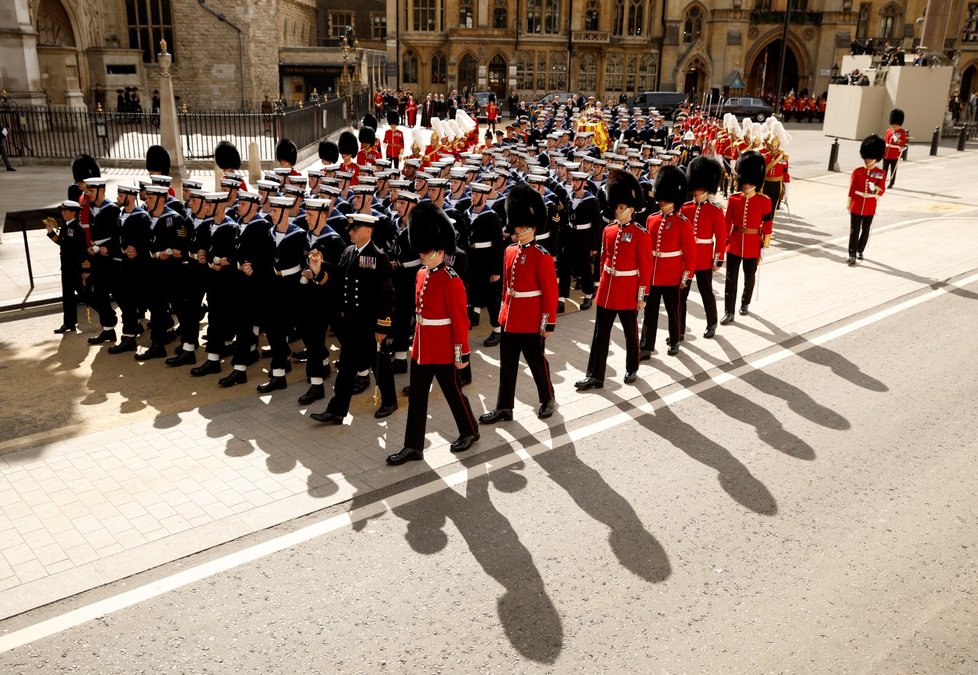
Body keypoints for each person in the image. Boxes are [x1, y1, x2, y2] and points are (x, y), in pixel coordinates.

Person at [386, 203, 480, 465]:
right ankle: (413, 447)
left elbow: (460, 320)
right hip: (423, 346)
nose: (423, 255)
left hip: (443, 348)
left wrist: (462, 353)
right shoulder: (420, 274)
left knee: (453, 392)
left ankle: (469, 430)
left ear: (440, 250)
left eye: (427, 251)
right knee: (417, 396)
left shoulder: (452, 280)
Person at [479, 184, 559, 424]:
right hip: (511, 318)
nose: (517, 229)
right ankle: (504, 407)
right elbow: (506, 288)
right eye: (516, 224)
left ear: (532, 227)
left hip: (531, 319)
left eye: (521, 225)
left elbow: (550, 293)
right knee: (508, 366)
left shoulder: (541, 255)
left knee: (536, 363)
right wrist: (503, 313)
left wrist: (548, 323)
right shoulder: (510, 251)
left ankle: (547, 398)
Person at [310, 213, 397, 424]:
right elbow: (339, 281)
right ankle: (337, 410)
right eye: (350, 229)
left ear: (368, 230)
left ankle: (390, 401)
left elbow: (387, 295)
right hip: (351, 322)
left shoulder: (378, 257)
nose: (350, 232)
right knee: (347, 368)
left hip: (369, 323)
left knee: (380, 364)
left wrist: (382, 326)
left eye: (355, 229)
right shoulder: (348, 252)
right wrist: (318, 271)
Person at [575, 171, 651, 390]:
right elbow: (603, 262)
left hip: (628, 290)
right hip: (609, 289)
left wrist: (642, 296)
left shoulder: (640, 234)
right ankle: (595, 375)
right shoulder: (608, 230)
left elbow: (645, 268)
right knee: (600, 334)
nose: (617, 211)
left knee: (630, 333)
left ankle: (632, 367)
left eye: (621, 207)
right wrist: (600, 286)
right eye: (616, 207)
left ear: (631, 208)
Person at [638, 166, 695, 358]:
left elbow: (690, 253)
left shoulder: (683, 222)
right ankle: (646, 346)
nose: (661, 202)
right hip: (653, 273)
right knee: (650, 311)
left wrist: (686, 276)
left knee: (673, 310)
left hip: (672, 274)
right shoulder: (652, 219)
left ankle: (674, 340)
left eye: (665, 198)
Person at [720, 150, 773, 324]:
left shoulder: (764, 201)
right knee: (730, 279)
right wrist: (723, 245)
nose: (746, 185)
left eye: (749, 183)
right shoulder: (734, 199)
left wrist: (764, 247)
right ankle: (729, 311)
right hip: (734, 243)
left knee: (749, 277)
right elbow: (727, 224)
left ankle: (745, 303)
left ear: (755, 182)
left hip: (752, 245)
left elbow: (767, 225)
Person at [679, 156, 726, 340]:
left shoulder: (715, 211)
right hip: (686, 259)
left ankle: (712, 323)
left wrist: (718, 259)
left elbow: (721, 237)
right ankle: (679, 330)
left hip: (705, 257)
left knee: (707, 292)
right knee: (681, 296)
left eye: (700, 190)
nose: (697, 193)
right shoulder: (685, 208)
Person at [44, 200, 88, 334]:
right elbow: (62, 243)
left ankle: (106, 317)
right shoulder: (65, 226)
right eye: (62, 211)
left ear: (73, 212)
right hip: (67, 268)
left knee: (87, 296)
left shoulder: (77, 228)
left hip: (76, 269)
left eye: (65, 211)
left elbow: (82, 251)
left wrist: (85, 269)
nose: (62, 213)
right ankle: (69, 323)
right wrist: (51, 233)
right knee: (68, 297)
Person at [847, 134, 886, 265]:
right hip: (857, 204)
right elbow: (851, 189)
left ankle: (860, 250)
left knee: (866, 230)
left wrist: (874, 188)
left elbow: (881, 190)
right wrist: (849, 204)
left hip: (870, 205)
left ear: (876, 157)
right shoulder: (857, 171)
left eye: (869, 157)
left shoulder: (881, 174)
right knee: (854, 230)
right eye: (866, 157)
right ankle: (851, 254)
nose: (867, 159)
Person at [883, 108, 907, 188]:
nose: (893, 127)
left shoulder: (902, 132)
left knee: (893, 170)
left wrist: (897, 140)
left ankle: (891, 183)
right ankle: (882, 182)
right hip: (886, 153)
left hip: (894, 154)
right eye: (892, 125)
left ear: (899, 124)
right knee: (884, 170)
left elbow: (903, 143)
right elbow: (885, 141)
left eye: (895, 125)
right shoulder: (888, 130)